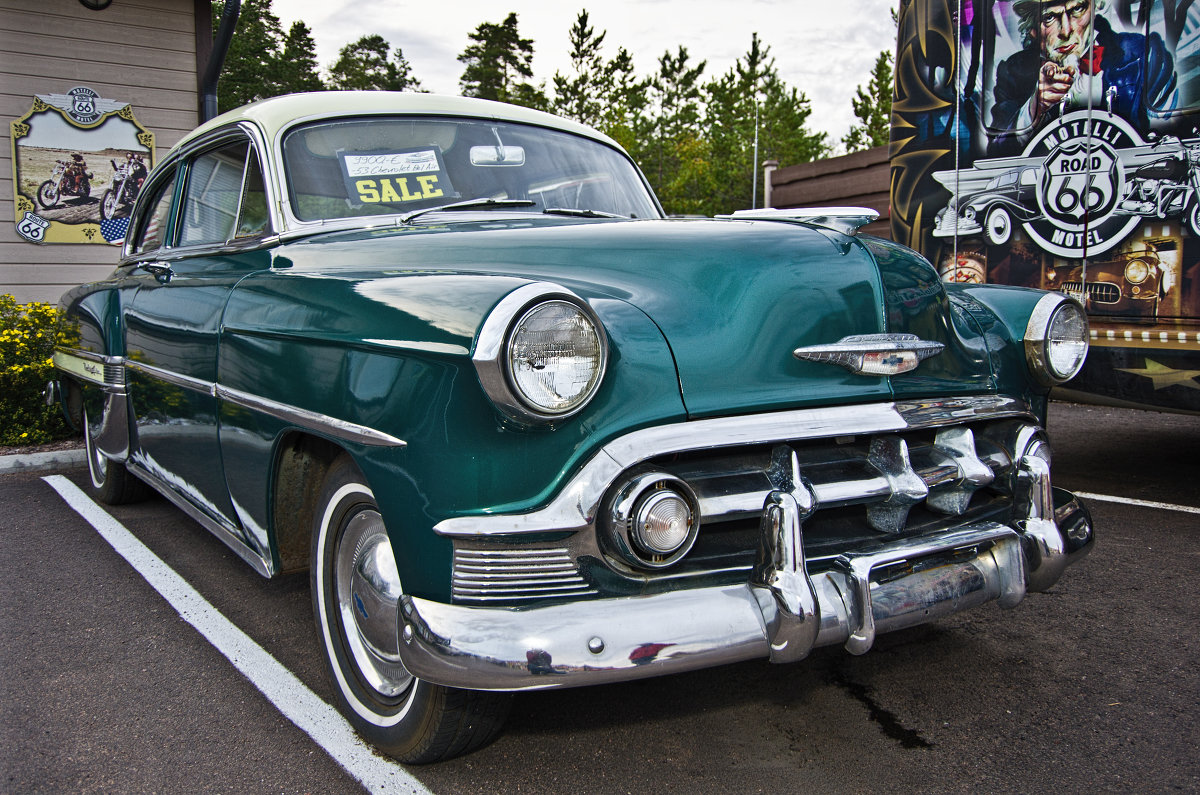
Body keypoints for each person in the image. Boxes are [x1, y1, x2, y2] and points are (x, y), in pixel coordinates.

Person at [988, 0, 1176, 154]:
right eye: (1049, 17)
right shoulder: (1014, 70)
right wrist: (1035, 107)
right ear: (1033, 29)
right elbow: (996, 152)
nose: (1066, 30)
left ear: (1094, 9)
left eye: (1077, 9)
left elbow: (1175, 136)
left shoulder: (1143, 53)